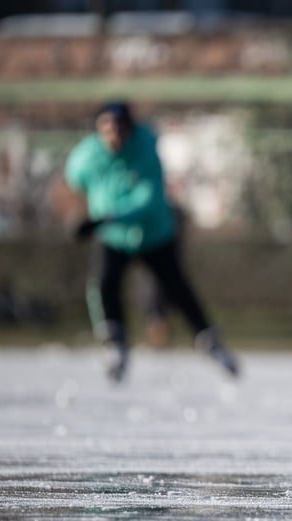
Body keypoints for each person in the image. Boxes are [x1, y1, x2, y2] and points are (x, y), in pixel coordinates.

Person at [65, 101, 238, 382]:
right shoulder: (88, 155)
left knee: (178, 290)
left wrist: (106, 217)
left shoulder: (146, 150)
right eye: (106, 129)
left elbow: (147, 199)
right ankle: (114, 343)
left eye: (120, 128)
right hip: (114, 237)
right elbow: (75, 177)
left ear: (130, 129)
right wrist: (81, 213)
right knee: (104, 284)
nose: (114, 136)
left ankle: (211, 342)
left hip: (153, 234)